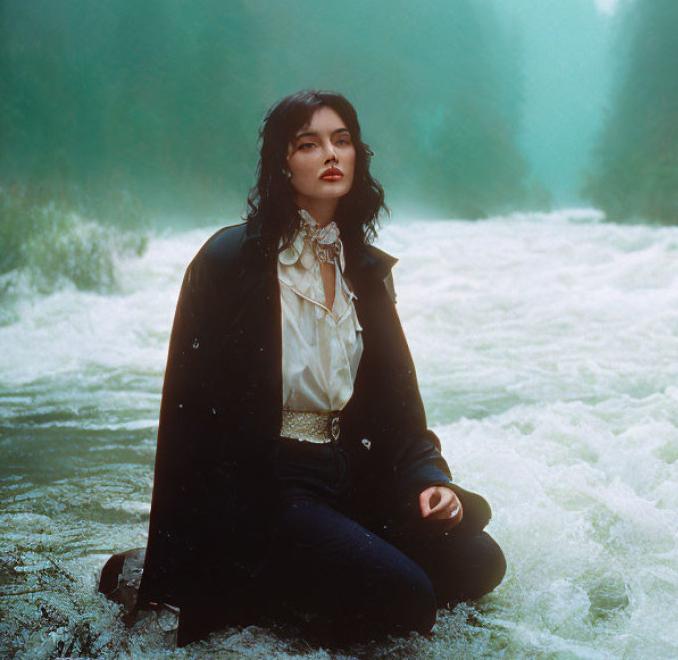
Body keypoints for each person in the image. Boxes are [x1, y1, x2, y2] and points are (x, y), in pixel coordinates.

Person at [110, 89, 505, 646]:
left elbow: (400, 413)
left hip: (347, 472)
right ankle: (254, 581)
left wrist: (431, 483)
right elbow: (189, 417)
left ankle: (319, 565)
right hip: (267, 487)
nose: (331, 155)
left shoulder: (365, 270)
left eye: (342, 141)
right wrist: (187, 553)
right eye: (309, 143)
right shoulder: (231, 261)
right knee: (408, 599)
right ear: (282, 162)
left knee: (477, 562)